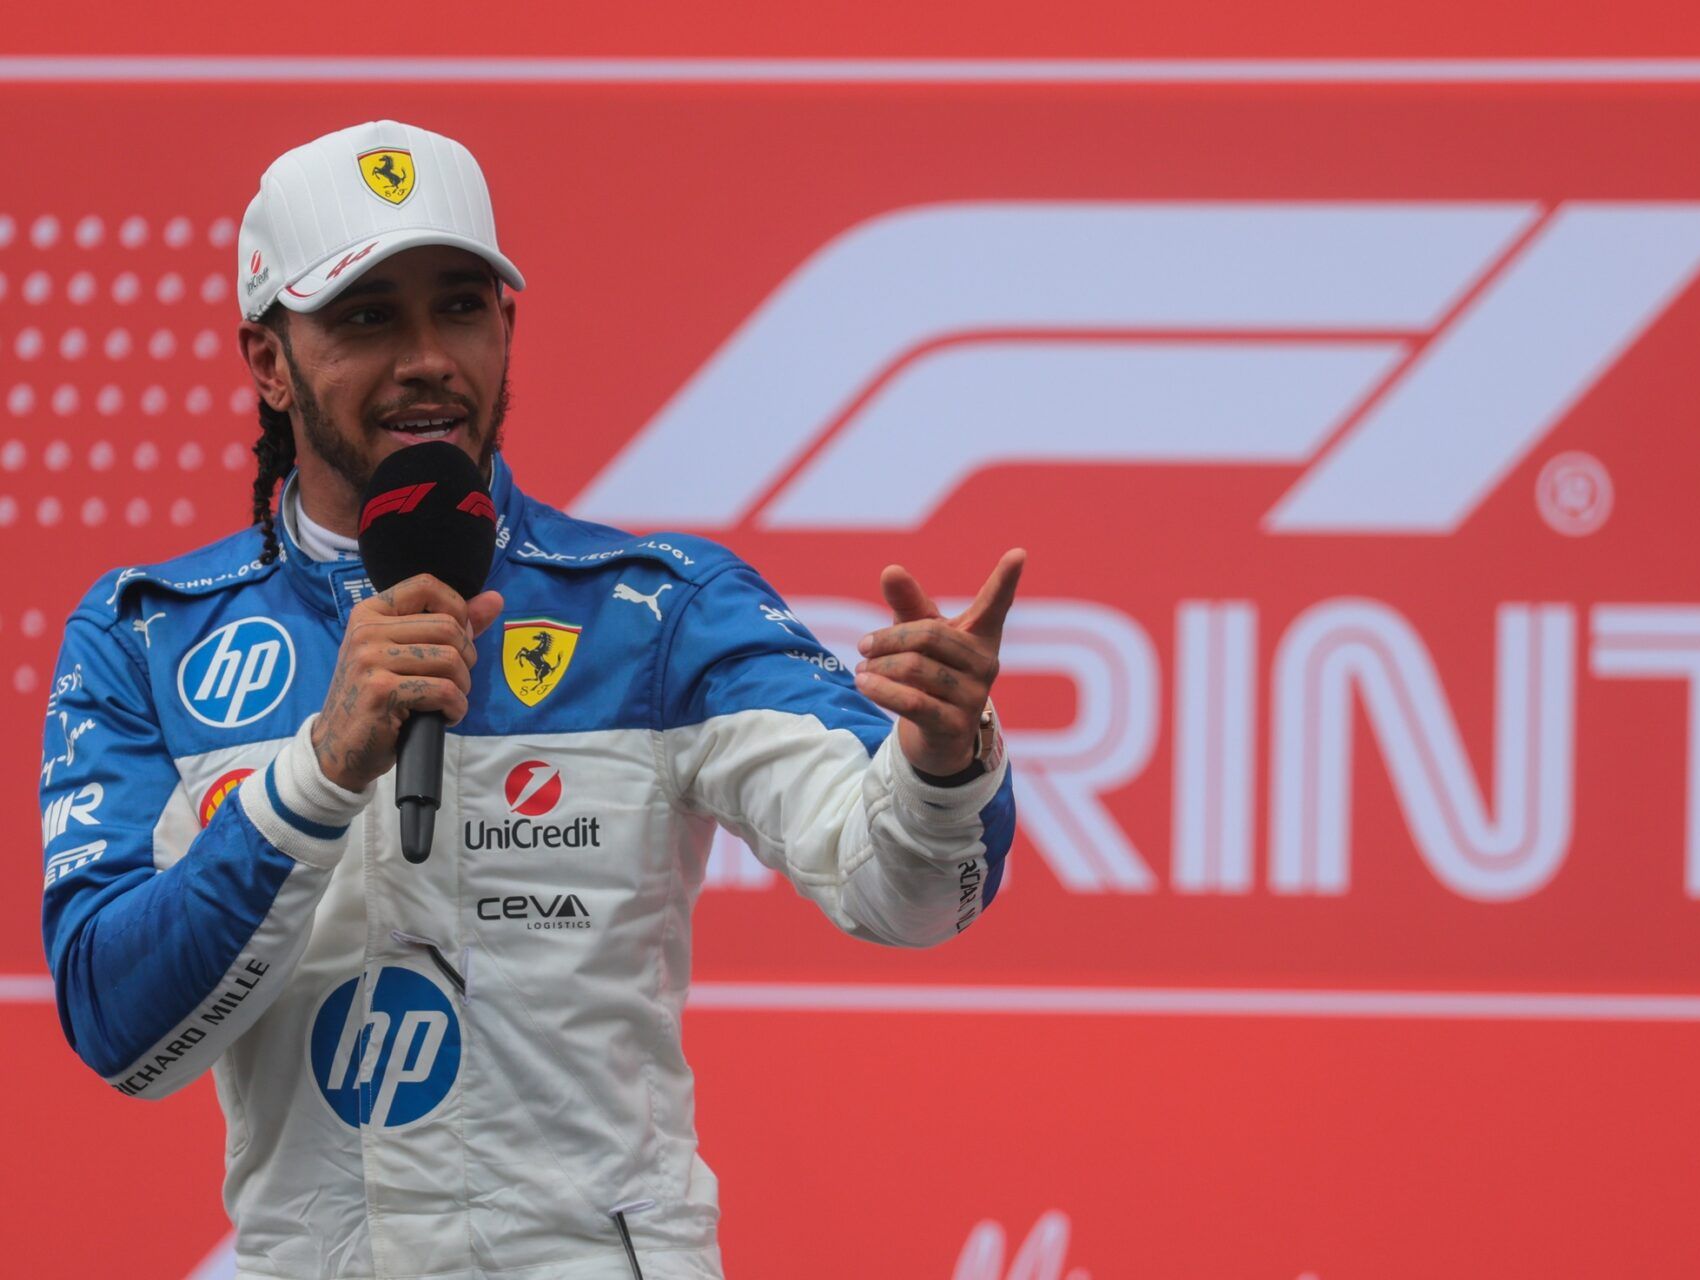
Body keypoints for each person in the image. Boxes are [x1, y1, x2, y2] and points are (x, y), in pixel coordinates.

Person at [39, 120, 1020, 1280]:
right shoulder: (148, 635)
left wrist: (942, 767)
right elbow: (124, 1032)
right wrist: (316, 777)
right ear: (268, 361)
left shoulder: (659, 610)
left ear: (505, 326)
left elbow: (906, 896)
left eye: (461, 307)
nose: (427, 358)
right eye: (368, 317)